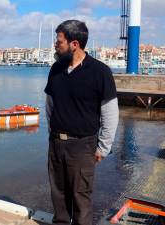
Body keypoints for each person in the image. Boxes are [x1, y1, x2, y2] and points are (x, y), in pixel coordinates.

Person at [44, 20, 119, 225]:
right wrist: (54, 132)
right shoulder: (56, 69)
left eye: (59, 41)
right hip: (56, 144)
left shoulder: (100, 72)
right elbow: (50, 104)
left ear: (74, 43)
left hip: (83, 146)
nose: (55, 44)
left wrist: (103, 148)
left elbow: (110, 113)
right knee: (58, 196)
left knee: (80, 199)